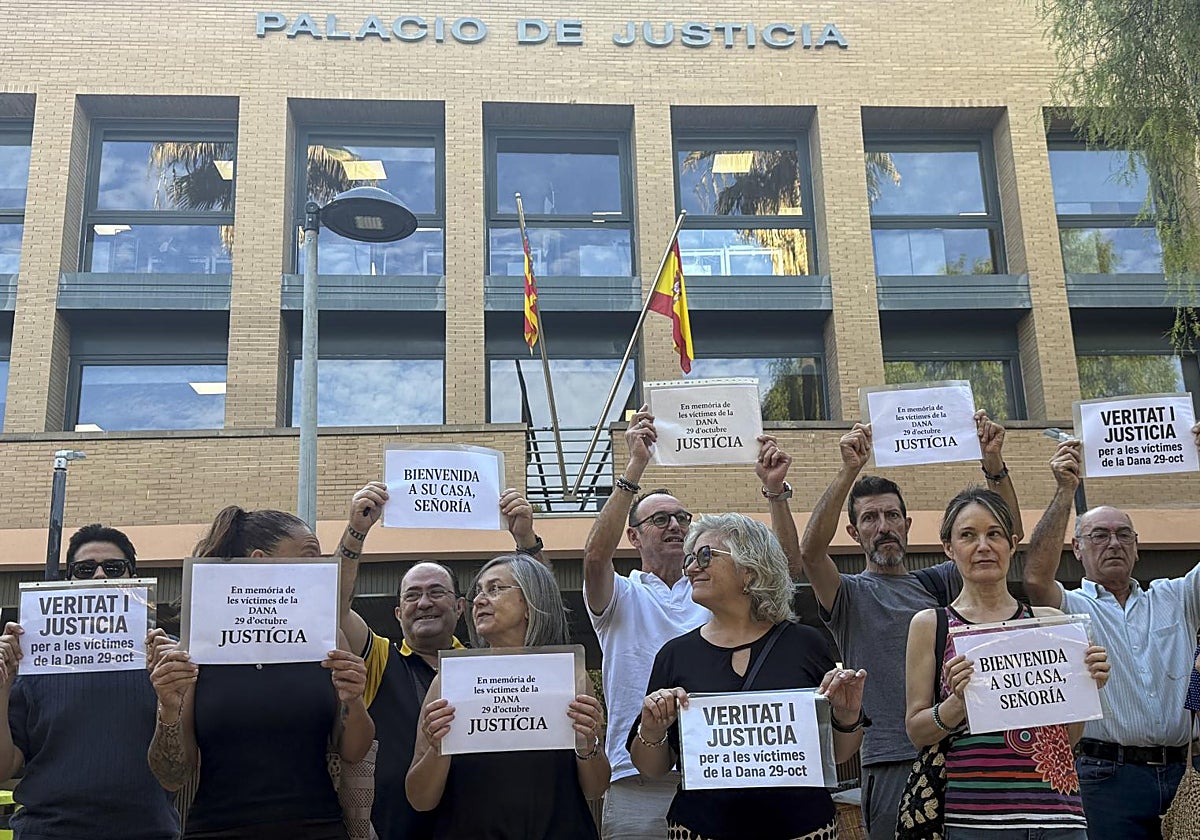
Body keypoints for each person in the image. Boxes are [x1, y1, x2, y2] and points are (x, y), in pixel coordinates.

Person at [782, 413, 1022, 840]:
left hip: (962, 751)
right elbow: (811, 552)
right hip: (892, 761)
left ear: (908, 525)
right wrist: (848, 470)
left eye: (892, 515)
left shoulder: (941, 582)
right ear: (853, 532)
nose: (884, 527)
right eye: (870, 518)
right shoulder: (849, 594)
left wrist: (993, 464)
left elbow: (1005, 532)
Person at [629, 513, 868, 840]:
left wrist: (847, 714)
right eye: (690, 559)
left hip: (803, 830)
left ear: (750, 569)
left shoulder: (805, 645)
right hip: (702, 830)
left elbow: (838, 753)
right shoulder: (674, 655)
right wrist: (652, 729)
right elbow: (652, 769)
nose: (691, 568)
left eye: (705, 556)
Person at [333, 482, 545, 840]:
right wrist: (356, 532)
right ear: (398, 613)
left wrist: (526, 540)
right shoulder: (379, 657)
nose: (424, 603)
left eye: (436, 592)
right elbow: (332, 608)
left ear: (461, 607)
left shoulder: (485, 665)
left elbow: (543, 613)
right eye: (412, 596)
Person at [147, 505, 374, 840]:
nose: (321, 568)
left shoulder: (327, 638)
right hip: (217, 829)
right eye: (309, 557)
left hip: (317, 827)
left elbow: (353, 751)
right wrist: (168, 708)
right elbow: (172, 777)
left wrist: (353, 699)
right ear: (260, 561)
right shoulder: (199, 646)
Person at [1023, 436, 1200, 840]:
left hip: (1185, 772)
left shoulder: (1177, 598)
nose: (1114, 543)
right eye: (1099, 535)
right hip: (1106, 779)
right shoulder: (1068, 606)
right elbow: (1034, 578)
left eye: (1124, 535)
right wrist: (1065, 490)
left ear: (1137, 547)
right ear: (1077, 548)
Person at [906, 487, 1109, 839]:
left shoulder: (1052, 622)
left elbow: (1068, 738)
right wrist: (957, 704)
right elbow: (916, 732)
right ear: (949, 548)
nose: (983, 546)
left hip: (1058, 817)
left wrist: (1086, 685)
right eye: (968, 535)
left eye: (994, 534)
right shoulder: (931, 625)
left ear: (1012, 544)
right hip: (975, 820)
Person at [406, 553, 609, 839]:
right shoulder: (452, 681)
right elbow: (419, 799)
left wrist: (588, 744)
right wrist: (438, 748)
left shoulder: (569, 676)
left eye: (495, 589)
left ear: (530, 603)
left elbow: (596, 789)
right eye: (478, 592)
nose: (479, 600)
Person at [582, 405, 713, 839]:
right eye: (660, 519)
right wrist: (636, 463)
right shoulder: (620, 594)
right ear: (633, 536)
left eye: (681, 518)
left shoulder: (714, 592)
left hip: (713, 768)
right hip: (634, 780)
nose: (674, 525)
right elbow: (595, 558)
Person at [0, 524, 179, 840]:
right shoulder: (31, 659)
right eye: (85, 569)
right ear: (69, 581)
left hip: (146, 830)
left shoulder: (164, 660)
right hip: (47, 831)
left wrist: (172, 696)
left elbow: (181, 769)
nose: (99, 575)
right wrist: (2, 687)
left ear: (133, 578)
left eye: (113, 568)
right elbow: (4, 768)